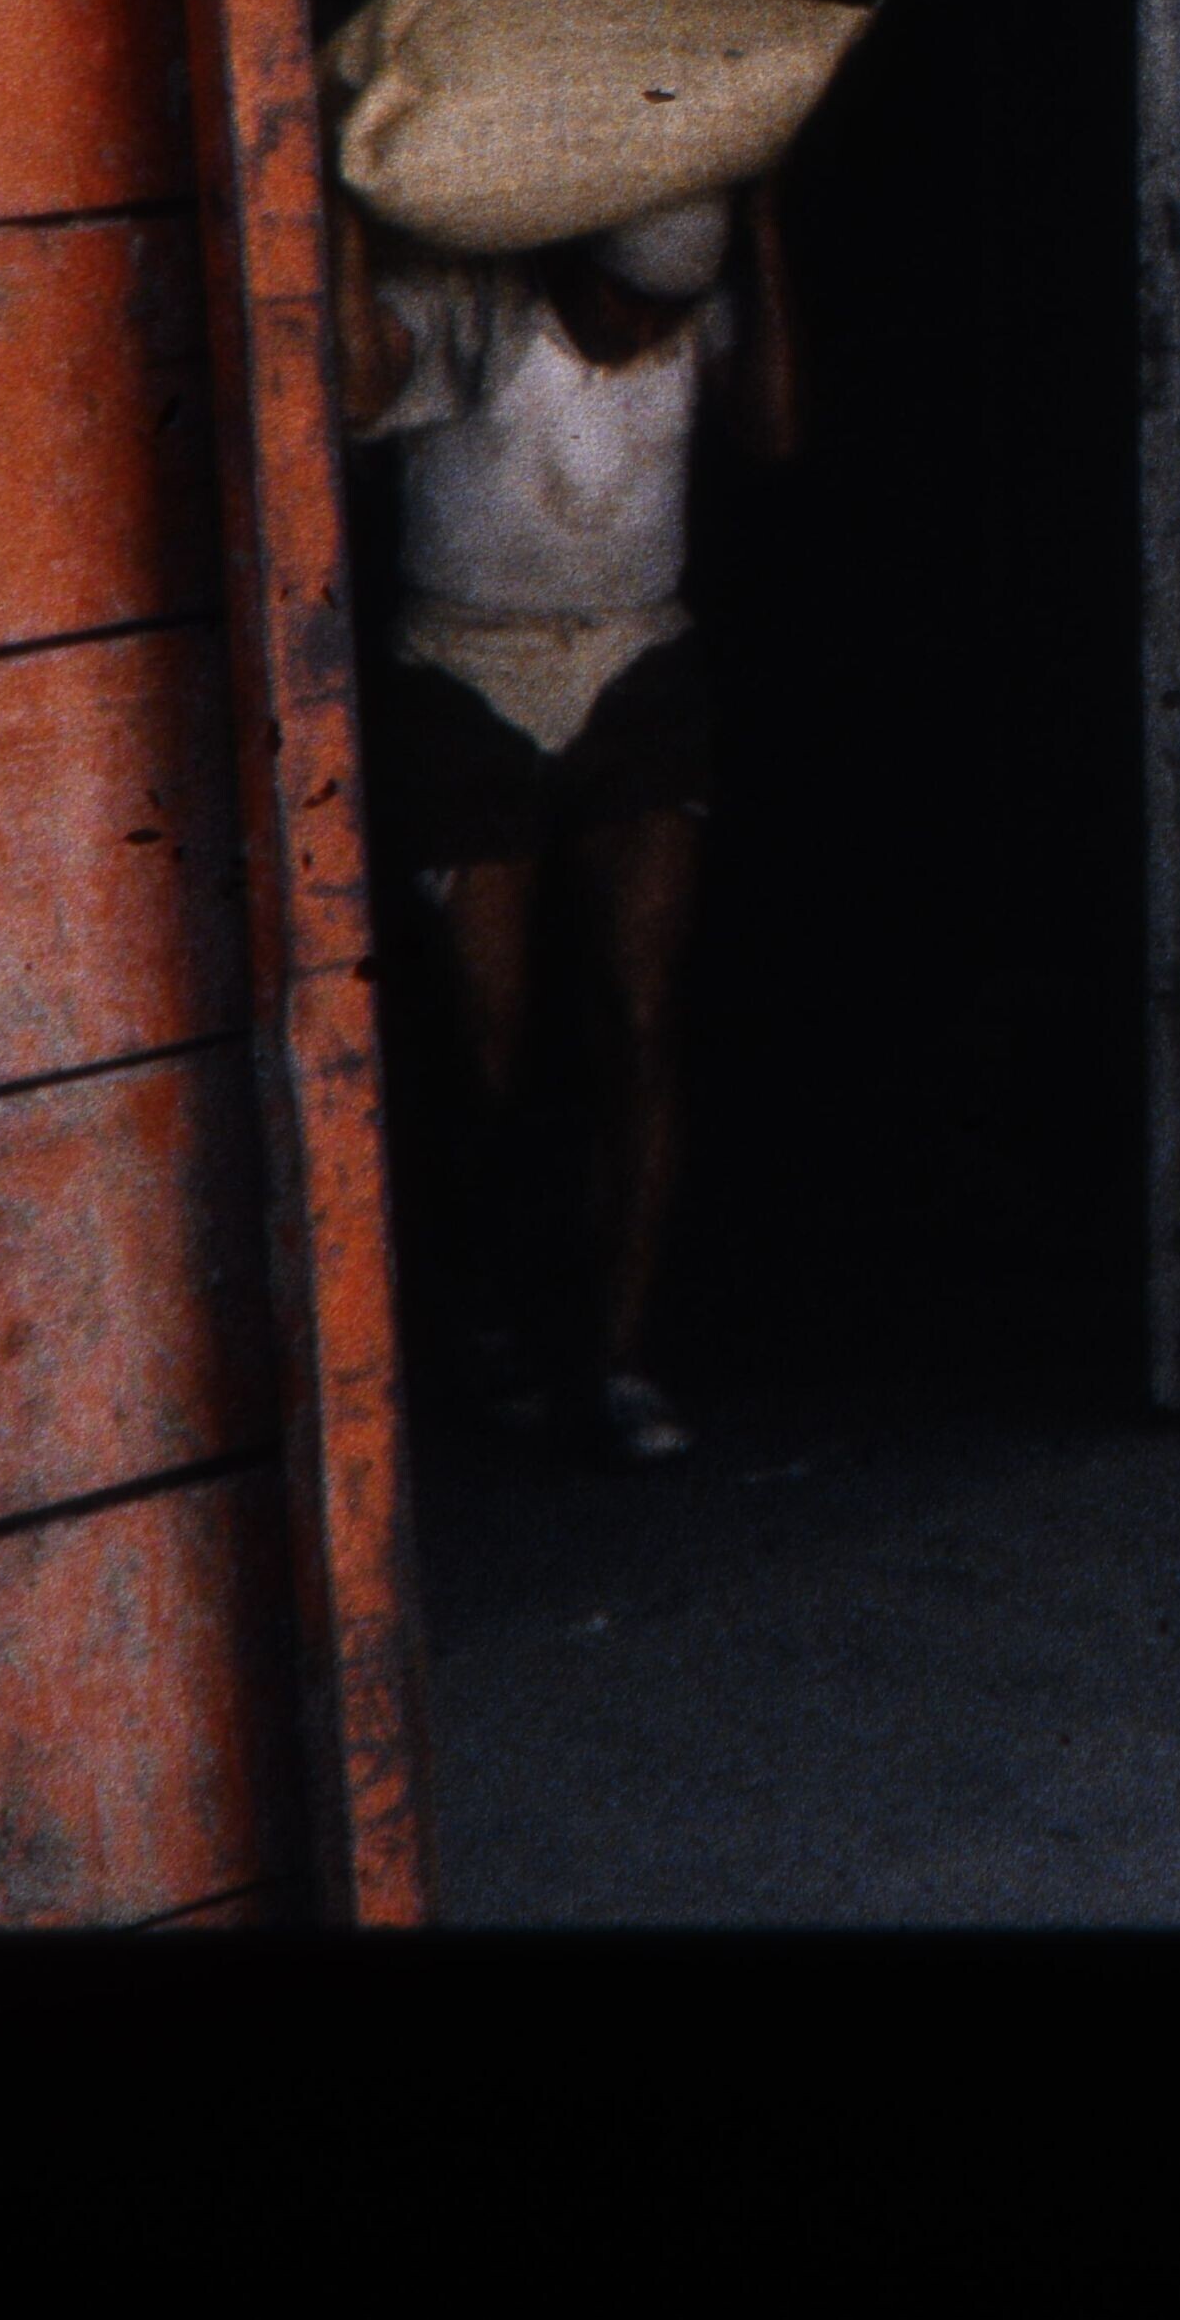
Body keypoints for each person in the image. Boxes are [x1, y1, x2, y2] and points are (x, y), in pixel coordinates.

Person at [331, 172, 807, 1466]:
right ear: (572, 260)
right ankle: (488, 1321)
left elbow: (773, 432)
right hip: (464, 676)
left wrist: (764, 227)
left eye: (668, 311)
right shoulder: (472, 302)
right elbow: (356, 388)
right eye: (623, 301)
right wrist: (349, 212)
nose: (643, 331)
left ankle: (620, 1354)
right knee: (483, 1040)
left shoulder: (689, 318)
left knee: (639, 1022)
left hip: (636, 670)